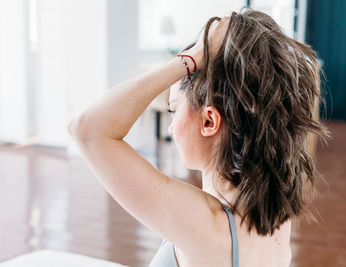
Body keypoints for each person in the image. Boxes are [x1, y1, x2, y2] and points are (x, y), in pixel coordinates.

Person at [68, 6, 329, 267]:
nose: (170, 127)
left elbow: (87, 129)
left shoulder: (205, 225)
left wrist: (190, 58)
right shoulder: (275, 212)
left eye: (174, 109)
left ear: (208, 120)